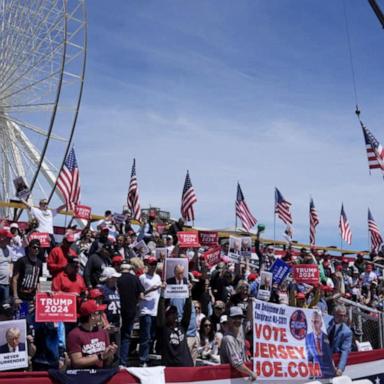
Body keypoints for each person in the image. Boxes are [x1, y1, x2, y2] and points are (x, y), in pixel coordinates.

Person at [67, 300, 118, 368]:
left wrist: (110, 354)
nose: (102, 314)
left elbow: (107, 363)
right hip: (84, 375)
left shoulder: (103, 332)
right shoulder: (74, 335)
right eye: (99, 313)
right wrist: (101, 356)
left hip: (101, 373)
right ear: (92, 316)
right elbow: (76, 362)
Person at [117, 262, 144, 367]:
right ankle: (123, 362)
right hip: (131, 311)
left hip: (117, 311)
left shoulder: (117, 278)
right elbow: (141, 296)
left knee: (115, 336)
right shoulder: (135, 278)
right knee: (126, 336)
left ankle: (115, 360)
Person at [220, 306, 257, 382]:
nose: (237, 320)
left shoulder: (240, 331)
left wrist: (250, 300)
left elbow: (249, 318)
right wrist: (251, 373)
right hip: (230, 378)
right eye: (234, 318)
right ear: (228, 319)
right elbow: (237, 363)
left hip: (240, 376)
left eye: (239, 318)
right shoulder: (228, 339)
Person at [138, 256, 162, 367]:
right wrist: (151, 289)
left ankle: (148, 357)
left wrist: (163, 287)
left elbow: (160, 291)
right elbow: (140, 294)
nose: (153, 266)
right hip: (145, 310)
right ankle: (143, 359)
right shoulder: (142, 278)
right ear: (147, 265)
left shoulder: (157, 277)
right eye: (151, 264)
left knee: (152, 336)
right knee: (146, 336)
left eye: (155, 264)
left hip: (155, 310)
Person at [158, 295, 193, 367]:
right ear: (166, 316)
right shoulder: (163, 329)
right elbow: (160, 311)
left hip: (185, 365)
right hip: (171, 367)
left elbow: (188, 311)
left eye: (175, 313)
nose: (173, 315)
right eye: (170, 314)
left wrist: (189, 295)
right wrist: (162, 295)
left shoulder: (182, 326)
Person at [305, 311, 335, 378]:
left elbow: (330, 355)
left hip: (328, 373)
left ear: (321, 324)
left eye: (316, 322)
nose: (314, 324)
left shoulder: (327, 337)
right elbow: (309, 357)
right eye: (312, 321)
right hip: (316, 374)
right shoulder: (307, 337)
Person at [12, 239, 43, 304]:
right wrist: (16, 297)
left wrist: (37, 295)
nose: (36, 249)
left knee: (31, 314)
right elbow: (14, 279)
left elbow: (39, 281)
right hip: (20, 297)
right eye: (34, 247)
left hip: (32, 298)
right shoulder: (22, 261)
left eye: (38, 247)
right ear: (29, 248)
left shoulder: (40, 263)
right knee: (22, 314)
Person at [327, 305, 353, 376]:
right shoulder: (326, 323)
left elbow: (345, 351)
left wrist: (340, 368)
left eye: (344, 315)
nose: (343, 318)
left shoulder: (347, 332)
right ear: (334, 314)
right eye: (340, 315)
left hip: (334, 361)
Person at [0, 229, 12, 304]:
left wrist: (10, 273)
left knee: (5, 306)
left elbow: (10, 262)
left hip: (6, 283)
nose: (10, 240)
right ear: (3, 238)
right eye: (8, 238)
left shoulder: (8, 249)